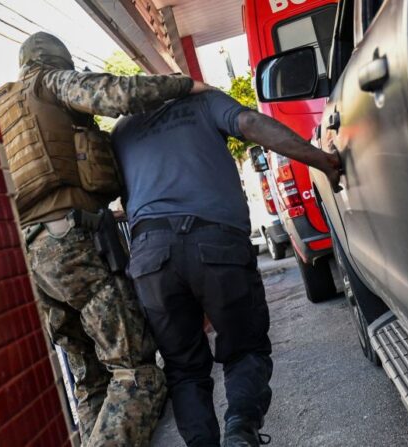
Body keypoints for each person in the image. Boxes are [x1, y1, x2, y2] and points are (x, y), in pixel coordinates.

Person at [0, 32, 214, 446]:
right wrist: (184, 84)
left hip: (32, 256)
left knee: (91, 380)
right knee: (137, 375)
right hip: (74, 243)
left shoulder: (0, 108)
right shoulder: (49, 82)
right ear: (55, 59)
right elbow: (116, 94)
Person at [111, 90, 342, 447]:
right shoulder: (203, 102)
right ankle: (240, 431)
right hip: (216, 241)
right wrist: (321, 160)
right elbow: (249, 122)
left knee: (184, 370)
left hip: (150, 256)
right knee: (244, 349)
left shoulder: (122, 128)